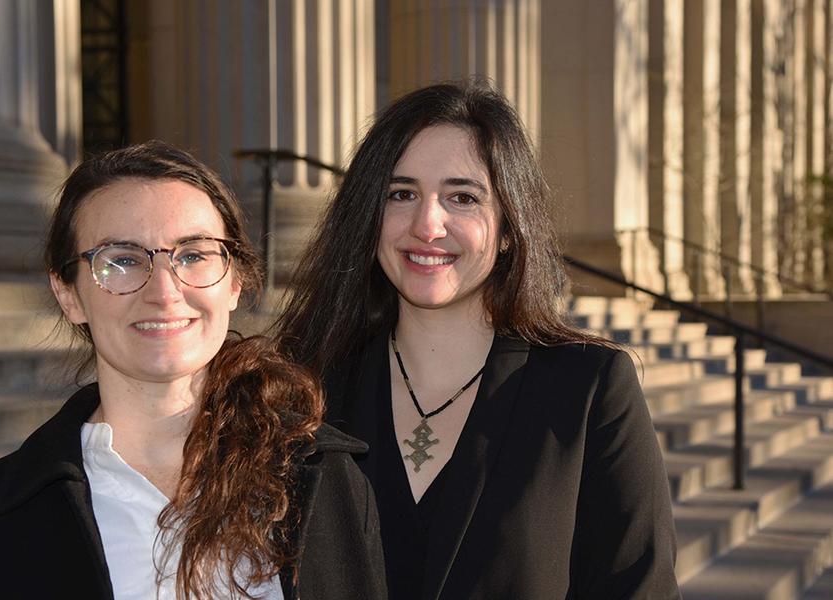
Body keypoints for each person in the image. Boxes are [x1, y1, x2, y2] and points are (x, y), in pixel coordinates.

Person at [275, 80, 680, 599]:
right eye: (401, 194)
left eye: (462, 197)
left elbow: (639, 588)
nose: (427, 224)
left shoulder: (588, 391)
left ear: (510, 226)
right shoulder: (302, 389)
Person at [0, 141, 386, 600]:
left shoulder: (327, 479)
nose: (164, 291)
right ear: (68, 294)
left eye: (193, 255)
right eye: (123, 260)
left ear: (235, 281)